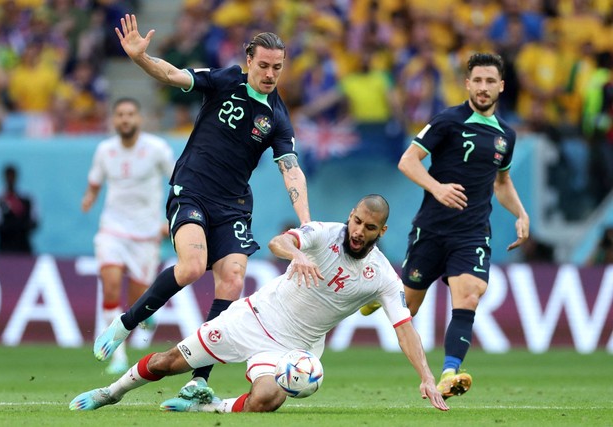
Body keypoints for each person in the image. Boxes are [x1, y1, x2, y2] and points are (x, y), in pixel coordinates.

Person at [92, 13, 311, 403]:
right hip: (191, 190)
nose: (270, 73)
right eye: (263, 65)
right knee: (193, 266)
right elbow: (173, 75)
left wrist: (307, 223)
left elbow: (291, 171)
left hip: (234, 206)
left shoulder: (277, 118)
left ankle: (199, 381)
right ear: (249, 60)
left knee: (232, 279)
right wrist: (141, 58)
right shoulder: (226, 79)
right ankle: (126, 324)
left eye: (277, 67)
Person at [69, 195, 449, 413]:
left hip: (295, 349)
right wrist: (296, 255)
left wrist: (427, 377)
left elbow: (405, 329)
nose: (357, 231)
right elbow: (279, 242)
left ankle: (209, 407)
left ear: (381, 232)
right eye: (356, 221)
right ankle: (111, 393)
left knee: (267, 399)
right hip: (253, 318)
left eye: (368, 228)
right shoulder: (324, 234)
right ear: (350, 215)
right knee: (169, 362)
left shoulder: (383, 276)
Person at [361, 53, 529, 400]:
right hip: (432, 230)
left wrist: (521, 214)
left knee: (469, 295)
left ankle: (449, 372)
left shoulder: (506, 137)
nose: (483, 88)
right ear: (468, 84)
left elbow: (502, 183)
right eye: (477, 81)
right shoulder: (448, 121)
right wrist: (437, 188)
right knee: (408, 304)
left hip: (472, 233)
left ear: (501, 86)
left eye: (489, 81)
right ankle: (381, 293)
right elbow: (408, 161)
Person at [81, 97, 174, 375]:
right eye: (120, 114)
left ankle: (146, 317)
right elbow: (95, 182)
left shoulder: (156, 149)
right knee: (110, 287)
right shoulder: (105, 150)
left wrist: (170, 221)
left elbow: (179, 182)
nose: (125, 119)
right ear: (114, 120)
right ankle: (117, 355)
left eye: (130, 114)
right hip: (112, 230)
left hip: (146, 235)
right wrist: (89, 198)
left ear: (139, 119)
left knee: (138, 302)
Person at [0, 164, 39, 254]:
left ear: (17, 177)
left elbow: (35, 222)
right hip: (4, 248)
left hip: (24, 247)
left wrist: (21, 227)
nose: (10, 179)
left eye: (12, 175)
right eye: (8, 176)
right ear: (4, 177)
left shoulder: (27, 199)